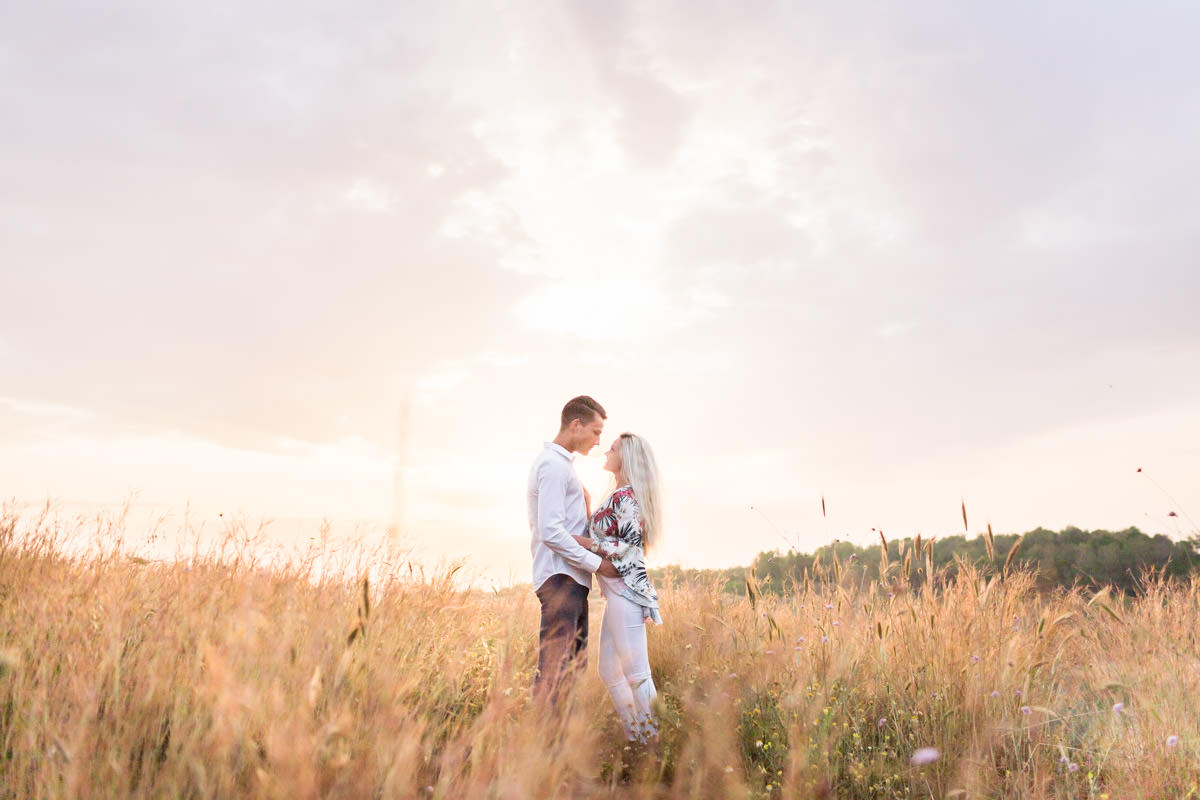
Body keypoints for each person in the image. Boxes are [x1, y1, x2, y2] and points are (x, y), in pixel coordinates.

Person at [527, 395, 621, 702]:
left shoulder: (563, 466)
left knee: (569, 673)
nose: (598, 441)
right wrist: (599, 565)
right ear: (576, 425)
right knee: (555, 672)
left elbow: (567, 526)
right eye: (595, 432)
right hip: (560, 579)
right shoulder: (553, 465)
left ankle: (561, 747)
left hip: (571, 580)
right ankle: (542, 746)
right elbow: (551, 531)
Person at [573, 432, 663, 742]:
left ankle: (653, 743)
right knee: (610, 672)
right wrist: (586, 506)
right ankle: (637, 736)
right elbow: (610, 536)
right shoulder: (619, 494)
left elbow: (630, 548)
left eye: (612, 449)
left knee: (637, 674)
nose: (605, 452)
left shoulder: (626, 496)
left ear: (625, 458)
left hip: (625, 595)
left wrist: (584, 542)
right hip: (616, 595)